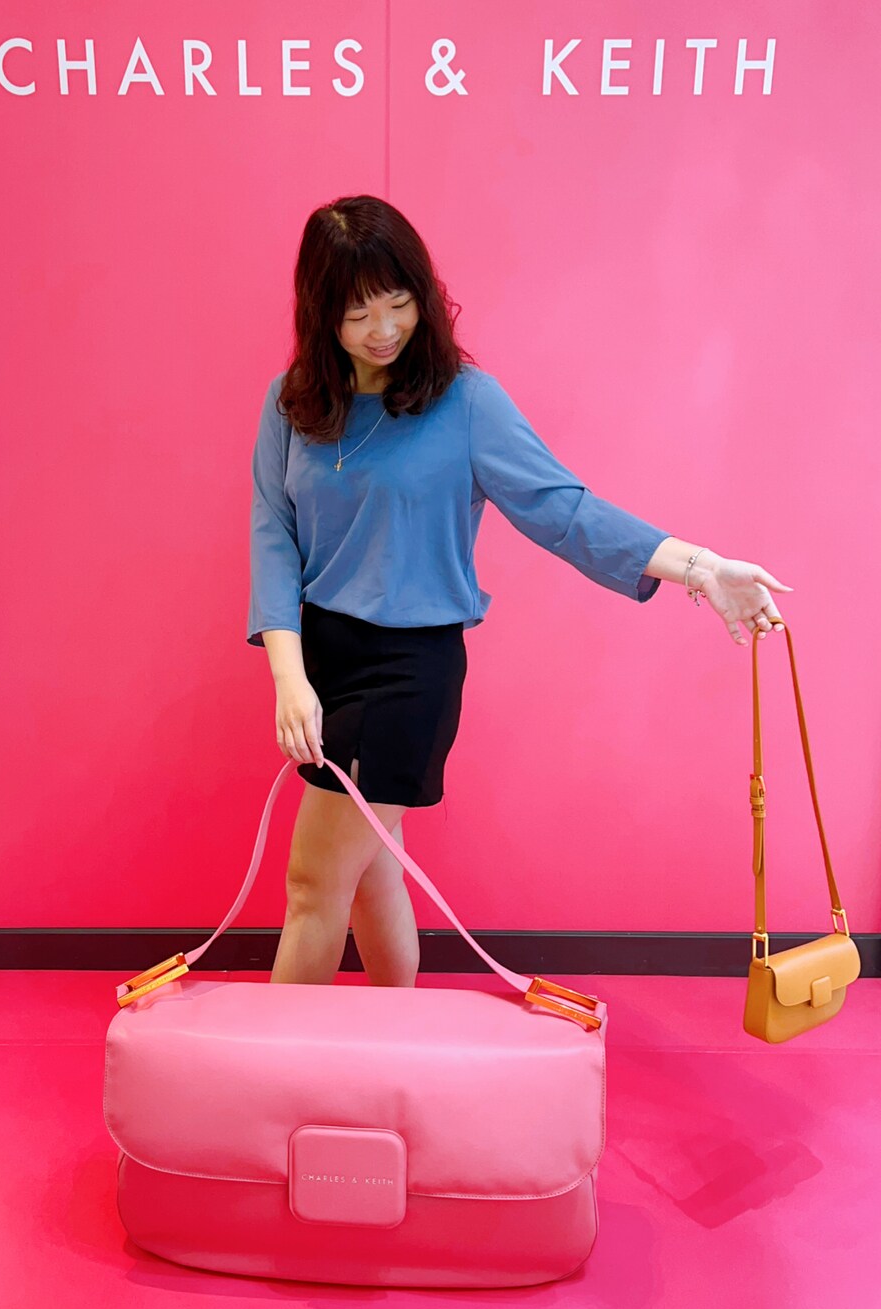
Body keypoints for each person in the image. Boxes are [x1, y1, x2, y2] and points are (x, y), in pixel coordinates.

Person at [247, 194, 793, 989]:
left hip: (409, 669)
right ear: (321, 311)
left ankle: (287, 1057)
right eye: (358, 313)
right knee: (367, 874)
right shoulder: (292, 403)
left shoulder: (465, 402)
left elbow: (564, 510)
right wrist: (289, 676)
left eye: (398, 303)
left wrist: (701, 566)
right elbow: (273, 538)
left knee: (312, 883)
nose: (384, 329)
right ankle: (396, 1034)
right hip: (323, 656)